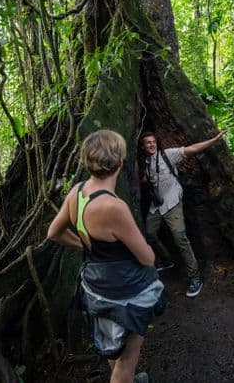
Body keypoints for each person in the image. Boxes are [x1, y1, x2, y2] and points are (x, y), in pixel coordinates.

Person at [47, 130, 163, 383]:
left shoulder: (77, 191)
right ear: (120, 163)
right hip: (124, 291)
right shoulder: (113, 207)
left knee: (114, 342)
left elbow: (53, 232)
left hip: (95, 285)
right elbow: (147, 258)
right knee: (127, 358)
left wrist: (84, 246)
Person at [140, 131, 225, 297]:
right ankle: (167, 260)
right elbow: (145, 179)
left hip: (172, 201)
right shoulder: (145, 162)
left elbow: (191, 149)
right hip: (156, 205)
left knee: (180, 237)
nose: (151, 145)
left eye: (153, 142)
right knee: (149, 234)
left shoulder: (167, 155)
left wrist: (213, 140)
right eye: (147, 143)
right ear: (143, 146)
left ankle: (195, 277)